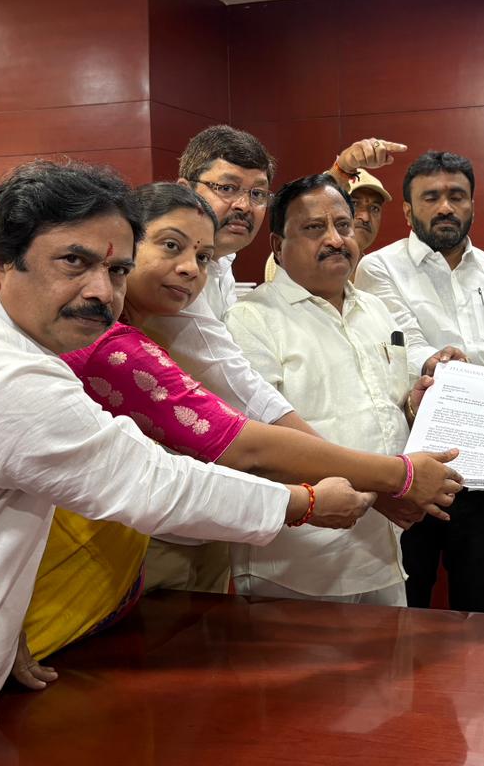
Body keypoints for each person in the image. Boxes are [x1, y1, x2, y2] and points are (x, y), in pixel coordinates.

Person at [0, 161, 374, 766]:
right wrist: (303, 502)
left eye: (116, 269)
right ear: (0, 262)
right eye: (74, 262)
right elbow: (153, 483)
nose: (101, 290)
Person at [21, 182, 460, 669]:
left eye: (203, 257)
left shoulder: (162, 326)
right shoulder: (120, 344)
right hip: (119, 556)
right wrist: (394, 477)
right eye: (170, 246)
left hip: (348, 539)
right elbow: (243, 441)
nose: (190, 268)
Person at [138, 127, 406, 593]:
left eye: (258, 193)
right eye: (227, 188)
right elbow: (251, 403)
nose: (244, 205)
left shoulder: (219, 269)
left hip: (217, 516)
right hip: (157, 522)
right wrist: (384, 481)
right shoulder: (199, 296)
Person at [355, 151, 484, 613]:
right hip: (412, 472)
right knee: (406, 606)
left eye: (457, 196)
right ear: (407, 211)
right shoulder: (378, 268)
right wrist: (436, 363)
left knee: (483, 613)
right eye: (431, 197)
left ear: (472, 203)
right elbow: (405, 344)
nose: (445, 207)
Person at [229, 174, 420, 605]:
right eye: (314, 228)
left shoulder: (376, 309)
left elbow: (388, 406)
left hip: (383, 549)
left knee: (392, 652)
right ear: (278, 246)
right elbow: (264, 444)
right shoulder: (250, 320)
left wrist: (415, 404)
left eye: (343, 225)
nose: (335, 240)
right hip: (298, 561)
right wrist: (382, 488)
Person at [264, 167, 392, 281]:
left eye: (375, 208)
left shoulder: (378, 273)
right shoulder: (290, 259)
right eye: (354, 203)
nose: (365, 217)